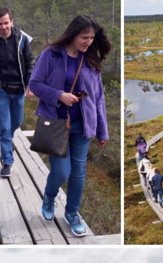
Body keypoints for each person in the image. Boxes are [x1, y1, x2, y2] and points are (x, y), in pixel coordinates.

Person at [30, 15, 110, 236]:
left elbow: (98, 98)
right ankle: (49, 196)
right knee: (62, 172)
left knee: (78, 173)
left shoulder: (91, 60)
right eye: (85, 37)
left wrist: (102, 130)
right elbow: (34, 84)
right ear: (73, 34)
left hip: (82, 126)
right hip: (55, 124)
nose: (88, 42)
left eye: (92, 38)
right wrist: (59, 96)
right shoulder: (51, 55)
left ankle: (72, 213)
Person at [0, 7, 35, 178]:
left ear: (12, 21)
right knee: (4, 126)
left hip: (18, 89)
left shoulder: (22, 39)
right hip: (1, 90)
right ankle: (7, 161)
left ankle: (8, 139)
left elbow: (30, 62)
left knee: (17, 121)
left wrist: (30, 84)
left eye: (6, 23)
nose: (3, 27)